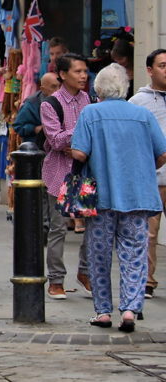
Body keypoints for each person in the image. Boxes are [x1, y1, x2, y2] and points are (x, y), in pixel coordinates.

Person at [71, 63, 166, 332]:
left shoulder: (91, 113)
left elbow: (79, 153)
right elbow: (162, 152)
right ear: (124, 88)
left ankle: (103, 311)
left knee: (99, 254)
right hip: (137, 194)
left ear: (98, 88)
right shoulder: (142, 114)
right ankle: (129, 309)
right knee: (135, 252)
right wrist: (144, 167)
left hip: (101, 196)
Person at [40, 52, 93, 299]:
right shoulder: (50, 104)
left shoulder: (89, 101)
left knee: (90, 225)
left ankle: (85, 272)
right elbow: (56, 139)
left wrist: (76, 141)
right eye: (78, 71)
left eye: (85, 71)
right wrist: (82, 128)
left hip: (83, 170)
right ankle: (56, 280)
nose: (83, 76)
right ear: (63, 75)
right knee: (58, 228)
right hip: (59, 172)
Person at [130, 48, 166, 299]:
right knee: (148, 234)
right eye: (162, 65)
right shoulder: (138, 102)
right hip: (152, 178)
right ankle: (147, 281)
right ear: (150, 70)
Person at [12, 72, 61, 149]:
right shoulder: (31, 103)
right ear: (43, 89)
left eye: (59, 86)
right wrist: (34, 129)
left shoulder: (63, 100)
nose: (58, 90)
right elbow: (18, 126)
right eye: (53, 87)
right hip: (36, 149)